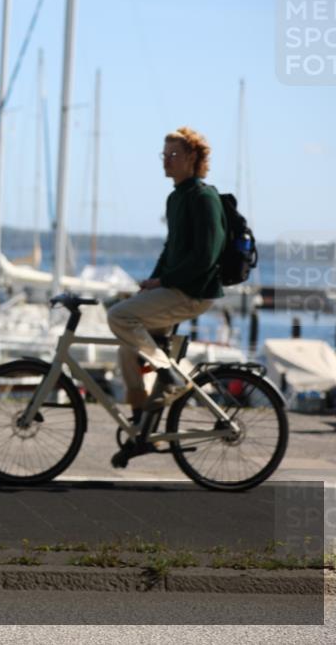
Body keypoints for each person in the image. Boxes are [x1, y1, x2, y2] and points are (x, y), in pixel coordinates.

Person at [107, 127, 226, 438]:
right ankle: (142, 425)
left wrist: (166, 279)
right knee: (128, 348)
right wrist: (152, 282)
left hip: (195, 292)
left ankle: (169, 372)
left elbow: (206, 257)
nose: (167, 161)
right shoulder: (176, 198)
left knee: (118, 315)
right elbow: (170, 248)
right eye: (164, 155)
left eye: (173, 155)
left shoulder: (204, 198)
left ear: (192, 159)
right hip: (174, 288)